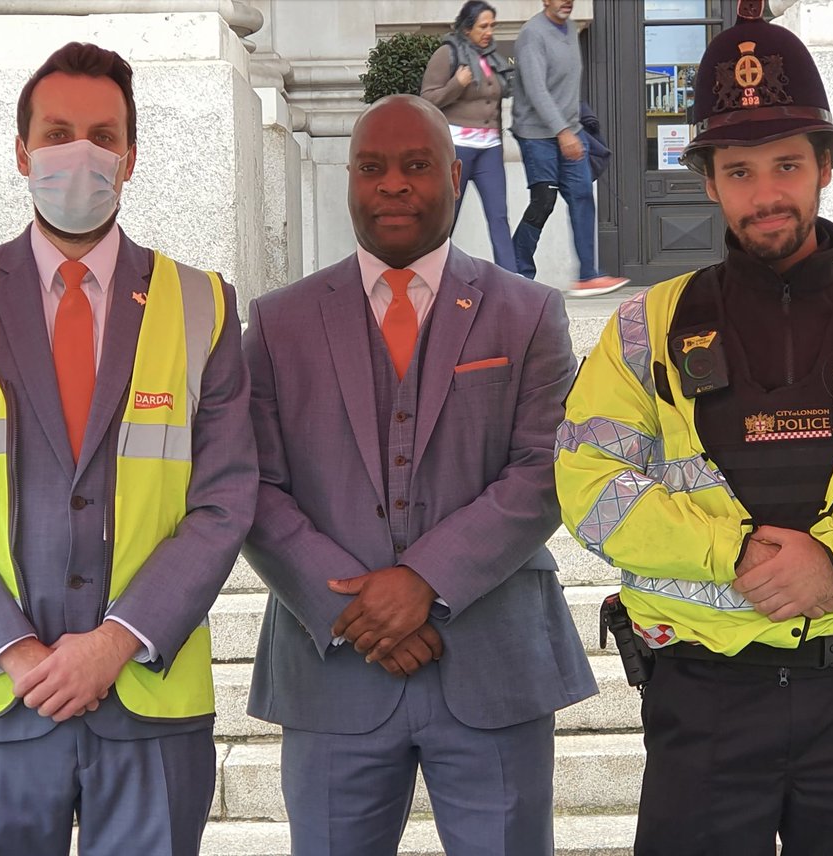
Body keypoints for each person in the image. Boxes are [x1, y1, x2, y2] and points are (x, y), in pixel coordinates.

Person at [554, 3, 833, 855]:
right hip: (704, 700)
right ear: (708, 179)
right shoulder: (644, 330)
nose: (765, 194)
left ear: (825, 167)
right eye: (739, 170)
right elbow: (589, 490)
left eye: (788, 164)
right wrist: (731, 552)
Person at [0, 42, 257, 855]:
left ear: (130, 158)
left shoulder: (203, 303)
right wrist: (17, 652)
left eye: (101, 135)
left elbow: (226, 498)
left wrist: (117, 640)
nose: (79, 153)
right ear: (22, 152)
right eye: (56, 134)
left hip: (149, 698)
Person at [242, 94, 596, 856]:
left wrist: (422, 583)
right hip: (333, 668)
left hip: (494, 666)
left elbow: (545, 471)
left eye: (416, 165)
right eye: (372, 167)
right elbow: (255, 487)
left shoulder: (529, 314)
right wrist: (357, 609)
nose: (393, 184)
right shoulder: (277, 324)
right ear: (349, 180)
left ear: (456, 178)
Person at [511, 0, 629, 297]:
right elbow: (537, 90)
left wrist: (573, 127)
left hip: (571, 131)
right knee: (544, 201)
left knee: (582, 197)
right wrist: (562, 131)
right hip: (537, 135)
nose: (567, 1)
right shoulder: (532, 34)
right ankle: (516, 272)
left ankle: (588, 275)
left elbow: (568, 88)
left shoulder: (571, 29)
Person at [420, 0, 517, 272]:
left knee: (499, 217)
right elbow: (426, 100)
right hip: (457, 149)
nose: (489, 32)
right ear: (466, 29)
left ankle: (511, 280)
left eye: (492, 26)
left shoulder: (493, 58)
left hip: (490, 149)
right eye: (483, 26)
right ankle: (428, 272)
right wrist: (456, 84)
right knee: (448, 218)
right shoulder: (447, 53)